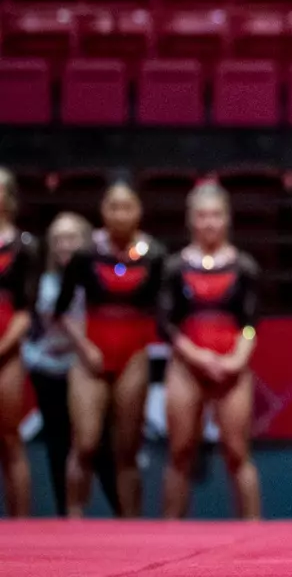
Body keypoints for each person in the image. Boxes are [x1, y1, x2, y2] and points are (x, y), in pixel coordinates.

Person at [55, 175, 167, 517]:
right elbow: (60, 311)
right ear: (103, 210)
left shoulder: (156, 255)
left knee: (127, 450)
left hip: (132, 354)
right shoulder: (86, 255)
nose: (120, 214)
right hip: (91, 352)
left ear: (139, 211)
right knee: (85, 443)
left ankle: (130, 524)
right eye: (113, 206)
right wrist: (83, 346)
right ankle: (72, 518)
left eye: (127, 207)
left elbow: (162, 312)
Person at [159, 179, 262, 519]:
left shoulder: (244, 267)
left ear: (227, 218)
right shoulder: (174, 267)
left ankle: (252, 530)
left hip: (232, 366)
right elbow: (166, 323)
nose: (209, 223)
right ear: (191, 219)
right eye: (202, 216)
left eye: (216, 215)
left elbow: (250, 322)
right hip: (188, 365)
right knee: (180, 451)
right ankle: (170, 530)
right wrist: (197, 356)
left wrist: (237, 359)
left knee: (237, 451)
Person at [24, 211, 118, 516]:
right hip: (49, 367)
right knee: (58, 442)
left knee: (99, 444)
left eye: (71, 238)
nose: (64, 245)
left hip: (88, 369)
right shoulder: (42, 282)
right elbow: (57, 318)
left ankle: (123, 511)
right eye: (58, 239)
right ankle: (67, 514)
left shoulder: (98, 274)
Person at [0, 167, 38, 517]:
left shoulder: (24, 247)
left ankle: (20, 520)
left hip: (6, 350)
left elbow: (27, 308)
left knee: (10, 438)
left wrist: (4, 346)